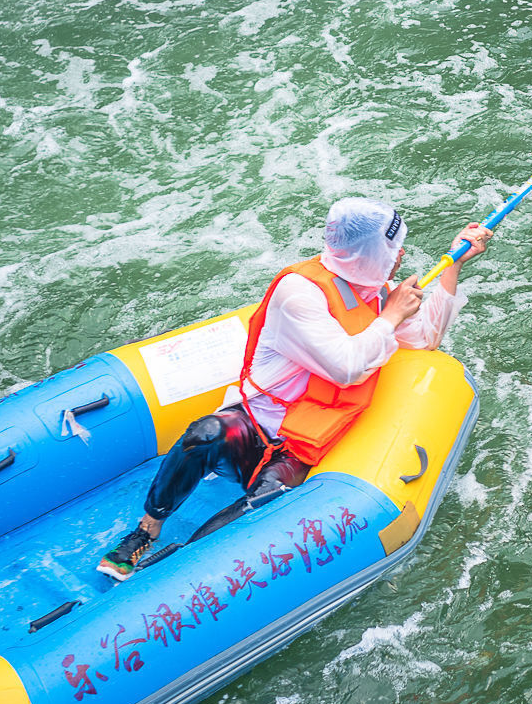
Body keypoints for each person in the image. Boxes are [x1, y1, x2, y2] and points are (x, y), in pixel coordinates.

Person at [97, 198, 492, 581]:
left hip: (301, 443)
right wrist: (389, 317)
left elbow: (424, 339)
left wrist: (453, 264)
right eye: (391, 247)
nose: (400, 254)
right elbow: (346, 367)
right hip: (254, 421)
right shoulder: (300, 293)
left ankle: (176, 571)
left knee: (266, 500)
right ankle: (147, 531)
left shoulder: (380, 292)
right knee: (205, 434)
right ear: (366, 253)